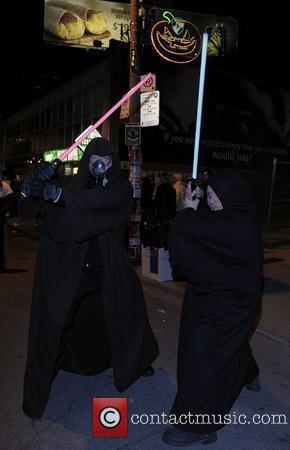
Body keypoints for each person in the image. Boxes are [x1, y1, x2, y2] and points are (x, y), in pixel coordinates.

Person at [19, 137, 159, 419]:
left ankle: (137, 361)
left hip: (109, 269)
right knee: (57, 322)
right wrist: (31, 189)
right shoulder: (73, 185)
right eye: (95, 159)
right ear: (86, 161)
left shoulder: (118, 188)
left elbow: (101, 203)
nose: (100, 165)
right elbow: (31, 213)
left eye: (106, 160)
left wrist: (58, 195)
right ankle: (40, 390)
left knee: (129, 313)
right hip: (76, 272)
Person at [163, 172, 263, 446]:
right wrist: (193, 211)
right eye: (208, 195)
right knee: (227, 344)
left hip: (234, 301)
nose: (212, 201)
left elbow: (194, 230)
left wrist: (186, 212)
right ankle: (248, 372)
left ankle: (197, 425)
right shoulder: (214, 219)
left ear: (233, 198)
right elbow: (190, 245)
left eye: (217, 196)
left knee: (204, 352)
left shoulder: (241, 224)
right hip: (206, 292)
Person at [0, 180, 16, 272]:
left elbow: (12, 200)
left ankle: (1, 265)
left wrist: (2, 211)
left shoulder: (5, 187)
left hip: (1, 220)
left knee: (1, 242)